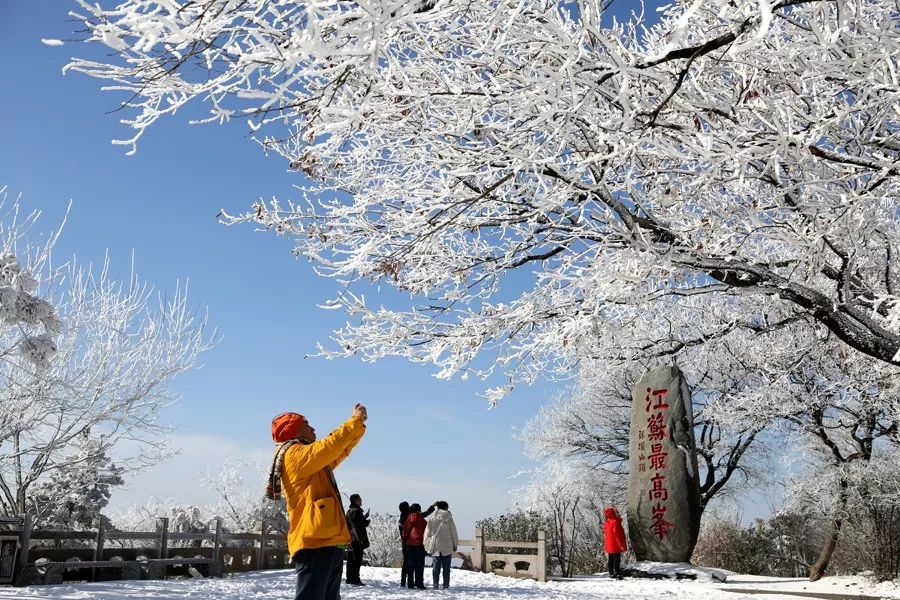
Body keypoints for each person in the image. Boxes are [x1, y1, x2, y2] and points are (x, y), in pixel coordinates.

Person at [266, 404, 367, 600]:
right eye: (307, 424)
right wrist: (353, 422)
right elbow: (328, 446)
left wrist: (357, 426)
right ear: (293, 429)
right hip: (315, 544)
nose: (313, 429)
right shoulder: (294, 454)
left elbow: (338, 451)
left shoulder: (309, 459)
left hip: (326, 542)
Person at [424, 500, 459, 589]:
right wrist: (455, 544)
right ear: (446, 507)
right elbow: (453, 533)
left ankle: (435, 583)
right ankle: (446, 584)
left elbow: (427, 532)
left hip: (436, 546)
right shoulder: (449, 518)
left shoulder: (431, 518)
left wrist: (425, 543)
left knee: (436, 566)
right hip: (447, 546)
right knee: (446, 567)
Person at [345, 493, 370, 586]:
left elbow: (351, 524)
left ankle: (349, 578)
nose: (361, 500)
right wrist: (366, 522)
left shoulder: (349, 511)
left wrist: (364, 519)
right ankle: (355, 579)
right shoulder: (357, 511)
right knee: (357, 560)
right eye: (360, 499)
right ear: (355, 500)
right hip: (357, 539)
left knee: (350, 559)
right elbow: (358, 526)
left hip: (351, 539)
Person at [402, 503, 428, 589]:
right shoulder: (423, 520)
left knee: (410, 565)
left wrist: (405, 542)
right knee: (419, 565)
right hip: (420, 545)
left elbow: (405, 532)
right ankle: (419, 583)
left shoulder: (409, 519)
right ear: (419, 510)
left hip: (410, 544)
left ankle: (410, 583)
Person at [603, 506, 627, 580]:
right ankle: (617, 573)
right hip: (615, 544)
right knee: (617, 559)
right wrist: (621, 545)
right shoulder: (615, 522)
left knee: (611, 559)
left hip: (609, 544)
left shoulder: (607, 522)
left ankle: (611, 573)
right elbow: (617, 535)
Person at [398, 501, 411, 587]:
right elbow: (423, 515)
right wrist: (431, 508)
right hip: (411, 543)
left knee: (405, 562)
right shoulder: (409, 518)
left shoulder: (401, 519)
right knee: (411, 563)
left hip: (404, 543)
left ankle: (403, 580)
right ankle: (410, 581)